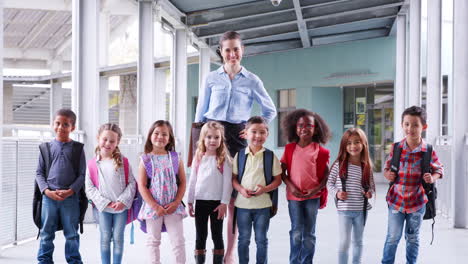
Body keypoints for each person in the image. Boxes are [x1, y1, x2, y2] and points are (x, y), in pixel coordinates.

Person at [194, 30, 277, 263]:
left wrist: (250, 128)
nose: (232, 54)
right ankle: (206, 248)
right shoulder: (211, 78)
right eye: (227, 49)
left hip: (238, 138)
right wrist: (197, 147)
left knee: (232, 199)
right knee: (210, 192)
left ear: (243, 51)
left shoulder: (252, 80)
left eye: (236, 49)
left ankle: (228, 253)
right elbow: (200, 112)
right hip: (211, 136)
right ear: (221, 52)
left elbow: (270, 110)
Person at [381, 106, 444, 264]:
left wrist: (433, 177)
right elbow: (387, 168)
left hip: (417, 202)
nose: (410, 128)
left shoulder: (427, 150)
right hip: (396, 201)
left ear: (424, 127)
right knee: (392, 237)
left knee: (413, 238)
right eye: (407, 124)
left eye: (415, 125)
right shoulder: (396, 148)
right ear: (402, 125)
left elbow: (439, 169)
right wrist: (387, 173)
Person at [280, 109, 331, 264]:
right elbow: (282, 172)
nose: (304, 128)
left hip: (312, 198)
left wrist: (316, 190)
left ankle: (307, 261)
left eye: (309, 125)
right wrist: (291, 187)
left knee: (309, 233)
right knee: (296, 231)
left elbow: (326, 175)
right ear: (295, 128)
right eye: (300, 125)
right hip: (294, 197)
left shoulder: (321, 151)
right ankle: (294, 261)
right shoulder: (289, 149)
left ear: (315, 129)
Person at [35, 108, 86, 264]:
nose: (61, 127)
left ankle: (74, 261)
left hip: (70, 199)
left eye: (66, 124)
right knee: (46, 233)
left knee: (71, 234)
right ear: (52, 125)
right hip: (49, 198)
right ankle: (44, 260)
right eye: (57, 123)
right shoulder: (45, 148)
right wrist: (47, 191)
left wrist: (71, 191)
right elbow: (39, 173)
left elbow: (82, 175)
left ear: (73, 128)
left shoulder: (78, 148)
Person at [232, 116, 282, 264]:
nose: (258, 136)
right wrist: (241, 189)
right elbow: (234, 179)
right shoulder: (239, 156)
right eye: (254, 132)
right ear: (245, 133)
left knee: (261, 240)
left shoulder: (270, 156)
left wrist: (265, 189)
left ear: (267, 135)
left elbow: (278, 180)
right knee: (243, 240)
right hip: (243, 206)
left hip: (263, 206)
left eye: (262, 132)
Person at [85, 123, 136, 264]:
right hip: (103, 209)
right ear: (98, 138)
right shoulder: (91, 164)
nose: (107, 143)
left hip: (121, 209)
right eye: (104, 139)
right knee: (105, 238)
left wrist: (122, 202)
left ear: (117, 142)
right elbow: (89, 188)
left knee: (119, 239)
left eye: (112, 141)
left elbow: (132, 183)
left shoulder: (124, 162)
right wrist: (105, 202)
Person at [137, 120, 187, 264]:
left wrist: (176, 202)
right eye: (156, 133)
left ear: (170, 138)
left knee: (178, 241)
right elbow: (142, 185)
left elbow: (183, 182)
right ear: (150, 136)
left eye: (164, 134)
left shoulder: (176, 158)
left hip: (174, 206)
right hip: (153, 208)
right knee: (153, 242)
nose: (160, 136)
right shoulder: (145, 159)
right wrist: (155, 206)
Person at [327, 128, 375, 264]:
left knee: (358, 242)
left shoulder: (366, 167)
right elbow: (329, 184)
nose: (353, 146)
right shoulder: (339, 165)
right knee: (344, 242)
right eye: (349, 143)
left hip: (361, 210)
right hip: (344, 211)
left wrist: (369, 192)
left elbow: (370, 186)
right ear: (344, 146)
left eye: (357, 142)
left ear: (363, 144)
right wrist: (337, 193)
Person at [187, 121, 233, 264]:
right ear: (203, 139)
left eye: (216, 137)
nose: (213, 140)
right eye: (209, 137)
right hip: (200, 202)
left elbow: (228, 183)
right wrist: (189, 201)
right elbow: (193, 180)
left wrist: (224, 203)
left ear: (221, 139)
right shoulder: (198, 157)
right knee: (200, 236)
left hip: (217, 204)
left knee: (217, 236)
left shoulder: (224, 159)